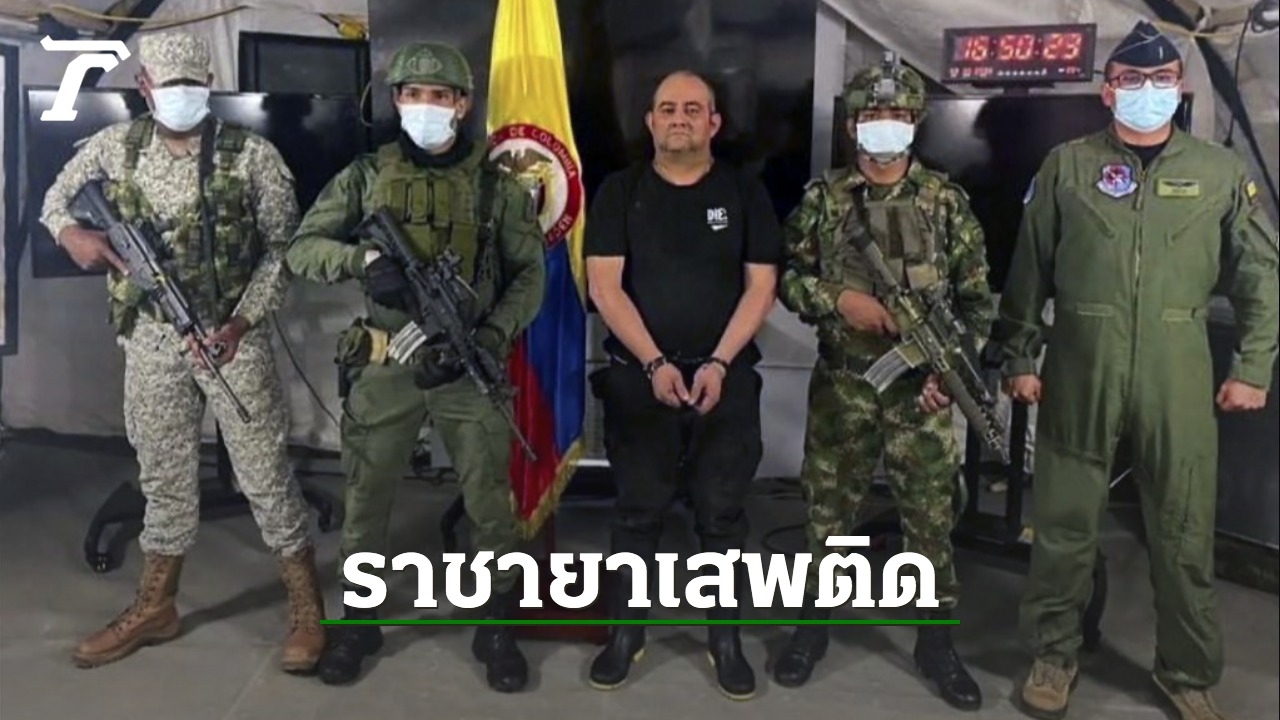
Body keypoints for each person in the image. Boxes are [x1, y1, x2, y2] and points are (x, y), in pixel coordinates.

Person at [998, 21, 1279, 720]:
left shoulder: (1219, 172)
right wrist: (1020, 354)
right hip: (1080, 362)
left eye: (1159, 80)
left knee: (1183, 531)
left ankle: (1187, 671)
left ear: (1179, 89)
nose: (1145, 91)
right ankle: (1053, 655)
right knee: (1064, 524)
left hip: (1176, 365)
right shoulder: (1067, 166)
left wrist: (1253, 365)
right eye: (1130, 80)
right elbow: (1028, 269)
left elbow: (1260, 276)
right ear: (1107, 91)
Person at [40, 31, 325, 673]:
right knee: (163, 475)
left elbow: (284, 251)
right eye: (169, 86)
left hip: (231, 338)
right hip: (151, 338)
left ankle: (307, 608)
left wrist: (243, 321)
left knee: (264, 474)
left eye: (193, 86)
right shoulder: (116, 147)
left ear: (210, 86)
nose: (182, 97)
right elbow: (56, 200)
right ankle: (156, 606)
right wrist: (71, 236)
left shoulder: (253, 156)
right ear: (145, 87)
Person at [284, 42, 546, 692]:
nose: (426, 106)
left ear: (462, 104)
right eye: (413, 94)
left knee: (489, 500)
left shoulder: (496, 187)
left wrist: (493, 335)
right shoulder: (366, 176)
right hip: (387, 362)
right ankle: (360, 621)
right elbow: (302, 249)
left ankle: (495, 624)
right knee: (367, 496)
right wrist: (364, 262)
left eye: (440, 95)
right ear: (397, 100)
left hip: (467, 361)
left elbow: (530, 276)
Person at [774, 56, 993, 712]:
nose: (884, 125)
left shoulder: (946, 204)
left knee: (929, 519)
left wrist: (948, 376)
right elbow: (788, 278)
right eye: (872, 115)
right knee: (827, 515)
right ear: (852, 125)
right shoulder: (823, 201)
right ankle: (812, 628)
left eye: (896, 115)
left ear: (916, 122)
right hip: (844, 385)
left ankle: (936, 642)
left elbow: (976, 303)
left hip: (920, 394)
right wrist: (839, 299)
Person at [583, 70, 782, 700]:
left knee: (723, 517)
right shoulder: (619, 192)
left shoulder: (744, 191)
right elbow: (604, 287)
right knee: (636, 513)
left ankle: (726, 642)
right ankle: (626, 636)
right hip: (640, 380)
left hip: (726, 380)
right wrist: (654, 364)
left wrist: (718, 363)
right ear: (650, 121)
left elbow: (762, 287)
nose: (679, 118)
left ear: (714, 123)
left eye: (693, 109)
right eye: (667, 108)